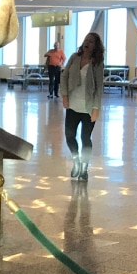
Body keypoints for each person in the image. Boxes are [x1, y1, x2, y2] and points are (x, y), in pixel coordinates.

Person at [61, 32, 105, 180]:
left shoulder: (97, 62)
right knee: (69, 136)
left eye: (91, 42)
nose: (87, 43)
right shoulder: (74, 57)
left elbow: (99, 87)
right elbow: (64, 76)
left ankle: (84, 168)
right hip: (73, 105)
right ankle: (76, 161)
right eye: (86, 40)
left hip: (88, 107)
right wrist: (65, 96)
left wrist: (96, 108)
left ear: (95, 46)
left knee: (85, 137)